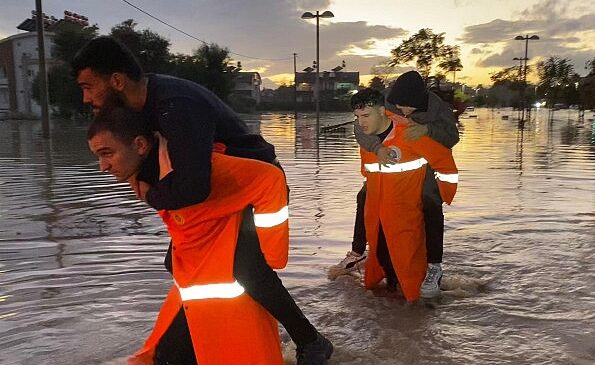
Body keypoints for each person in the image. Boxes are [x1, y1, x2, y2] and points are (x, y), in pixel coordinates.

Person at [73, 36, 332, 364]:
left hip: (250, 187)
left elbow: (194, 187)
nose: (85, 97)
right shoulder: (138, 106)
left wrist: (150, 193)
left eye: (87, 86)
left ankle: (310, 341)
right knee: (177, 262)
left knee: (246, 267)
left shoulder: (176, 105)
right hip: (215, 192)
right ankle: (187, 345)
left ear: (116, 81)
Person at [330, 71, 459, 298]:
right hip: (387, 163)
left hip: (424, 161)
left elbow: (452, 137)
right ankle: (359, 252)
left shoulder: (438, 108)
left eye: (410, 108)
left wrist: (427, 130)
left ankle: (434, 266)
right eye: (400, 106)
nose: (404, 112)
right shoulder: (384, 101)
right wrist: (376, 148)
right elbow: (361, 127)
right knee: (365, 198)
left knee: (430, 203)